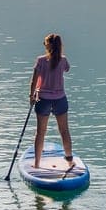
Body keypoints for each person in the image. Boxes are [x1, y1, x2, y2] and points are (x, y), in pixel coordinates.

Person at [29, 32, 74, 168]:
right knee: (64, 130)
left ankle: (36, 164)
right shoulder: (63, 60)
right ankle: (70, 161)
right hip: (60, 99)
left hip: (43, 99)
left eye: (44, 43)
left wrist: (31, 96)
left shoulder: (41, 61)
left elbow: (34, 80)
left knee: (40, 132)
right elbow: (67, 69)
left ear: (48, 46)